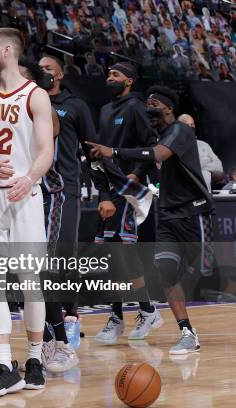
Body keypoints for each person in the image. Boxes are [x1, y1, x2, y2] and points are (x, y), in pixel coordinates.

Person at [88, 85, 214, 355]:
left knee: (202, 274)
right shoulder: (158, 138)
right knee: (166, 272)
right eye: (146, 104)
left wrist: (114, 152)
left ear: (168, 107)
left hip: (194, 214)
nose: (149, 108)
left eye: (154, 103)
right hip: (168, 215)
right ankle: (187, 332)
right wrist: (123, 179)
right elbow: (144, 163)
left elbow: (156, 154)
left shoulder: (180, 131)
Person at [0, 27, 54, 396]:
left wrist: (30, 177)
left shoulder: (36, 96)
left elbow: (45, 150)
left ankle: (35, 357)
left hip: (24, 195)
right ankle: (5, 364)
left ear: (7, 50)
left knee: (30, 283)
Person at [36, 53, 99, 371]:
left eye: (49, 68)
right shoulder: (30, 100)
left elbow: (92, 148)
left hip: (64, 190)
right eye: (40, 68)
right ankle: (57, 325)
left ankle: (67, 322)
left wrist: (105, 189)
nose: (43, 72)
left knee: (58, 258)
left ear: (60, 74)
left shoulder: (75, 105)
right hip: (36, 189)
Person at [93, 62, 163, 344]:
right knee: (110, 256)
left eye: (116, 74)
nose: (110, 77)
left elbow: (151, 149)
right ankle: (118, 316)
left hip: (130, 189)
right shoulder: (105, 110)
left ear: (129, 81)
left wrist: (135, 174)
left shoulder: (136, 108)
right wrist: (103, 191)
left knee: (124, 254)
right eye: (108, 74)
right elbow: (99, 154)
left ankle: (147, 310)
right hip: (110, 188)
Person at [178, 114, 224, 191]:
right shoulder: (175, 145)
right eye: (187, 125)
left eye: (192, 124)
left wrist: (199, 166)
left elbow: (219, 167)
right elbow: (183, 168)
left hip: (206, 194)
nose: (190, 127)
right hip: (186, 194)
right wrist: (205, 162)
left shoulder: (203, 145)